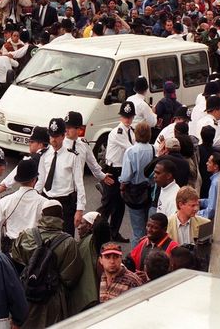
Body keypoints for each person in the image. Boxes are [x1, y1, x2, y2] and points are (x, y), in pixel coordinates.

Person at [11, 200, 82, 327]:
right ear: (61, 216)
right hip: (53, 299)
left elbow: (16, 259)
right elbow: (71, 277)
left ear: (42, 215)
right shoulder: (69, 242)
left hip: (27, 293)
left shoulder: (26, 235)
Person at [35, 118, 87, 236]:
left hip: (65, 204)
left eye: (57, 136)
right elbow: (41, 180)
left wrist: (79, 209)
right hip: (47, 200)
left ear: (63, 136)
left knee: (65, 239)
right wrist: (34, 199)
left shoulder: (73, 156)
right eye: (51, 136)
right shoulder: (44, 155)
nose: (54, 140)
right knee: (45, 237)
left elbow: (79, 184)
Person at [0, 159, 47, 255]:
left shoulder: (6, 201)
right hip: (35, 250)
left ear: (18, 180)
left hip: (12, 250)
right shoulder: (45, 203)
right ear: (35, 179)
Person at [100, 102, 135, 242]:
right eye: (125, 116)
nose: (127, 119)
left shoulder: (131, 131)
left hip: (122, 170)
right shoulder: (117, 132)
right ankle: (96, 230)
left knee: (120, 205)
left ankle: (114, 232)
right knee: (107, 204)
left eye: (130, 116)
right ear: (121, 117)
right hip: (113, 170)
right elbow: (131, 149)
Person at [120, 121, 155, 246]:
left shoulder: (131, 151)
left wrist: (122, 185)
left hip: (135, 192)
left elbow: (126, 176)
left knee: (137, 230)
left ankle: (137, 257)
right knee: (150, 227)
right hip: (150, 190)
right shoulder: (153, 149)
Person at [69, 212, 111, 314]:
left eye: (82, 223)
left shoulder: (87, 244)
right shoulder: (95, 243)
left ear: (90, 226)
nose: (78, 227)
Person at [198, 152, 220, 219]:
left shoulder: (215, 182)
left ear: (215, 167)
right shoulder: (219, 179)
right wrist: (201, 202)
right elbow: (213, 201)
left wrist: (197, 214)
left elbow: (211, 209)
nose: (206, 163)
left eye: (209, 162)